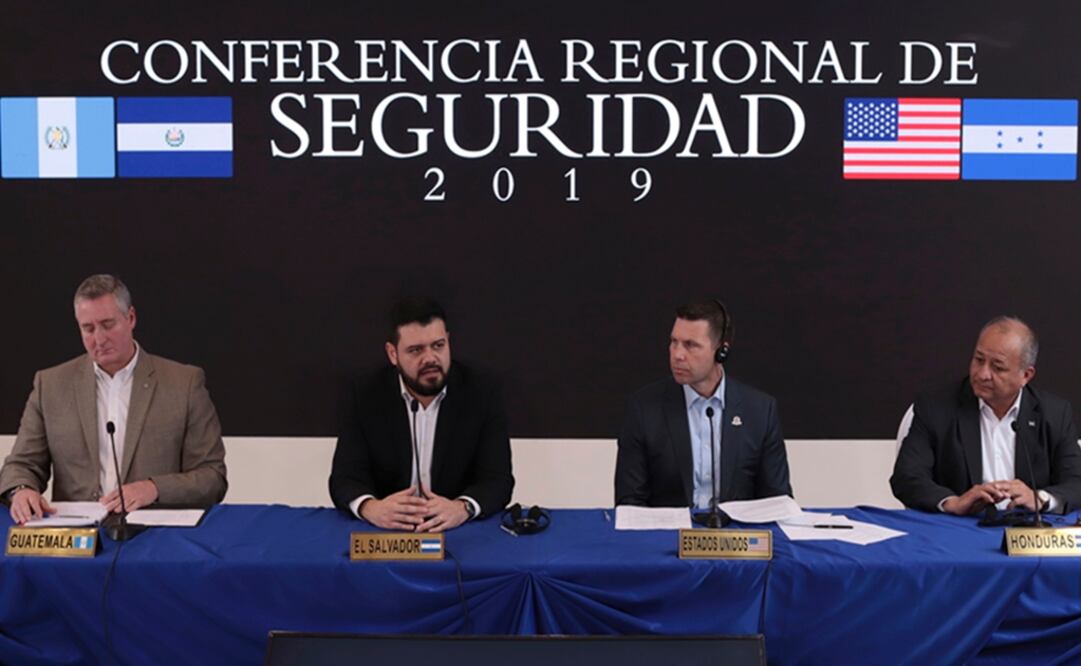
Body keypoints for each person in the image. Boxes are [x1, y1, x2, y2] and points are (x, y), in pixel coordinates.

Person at [1, 275, 228, 524]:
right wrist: (21, 490)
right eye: (88, 329)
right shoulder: (50, 385)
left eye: (108, 325)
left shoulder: (184, 383)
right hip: (77, 536)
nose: (99, 339)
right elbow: (21, 465)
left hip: (155, 534)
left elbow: (212, 477)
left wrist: (153, 488)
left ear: (131, 318)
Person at [329, 298, 513, 532]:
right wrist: (371, 507)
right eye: (416, 350)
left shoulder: (482, 392)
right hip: (386, 534)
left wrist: (462, 507)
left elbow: (498, 479)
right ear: (393, 354)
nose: (430, 359)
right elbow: (344, 478)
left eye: (438, 345)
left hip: (456, 532)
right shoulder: (365, 394)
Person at [892, 316, 1081, 515]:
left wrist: (1040, 498)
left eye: (997, 367)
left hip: (1025, 528)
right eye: (979, 360)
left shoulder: (1054, 414)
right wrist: (953, 502)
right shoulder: (935, 408)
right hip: (959, 527)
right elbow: (907, 477)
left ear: (1026, 375)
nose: (982, 374)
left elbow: (1077, 481)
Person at [614, 299, 792, 508]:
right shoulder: (643, 408)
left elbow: (778, 501)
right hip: (670, 528)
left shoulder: (760, 410)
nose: (677, 355)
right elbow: (630, 502)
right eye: (674, 342)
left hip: (734, 529)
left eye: (691, 345)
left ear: (721, 351)